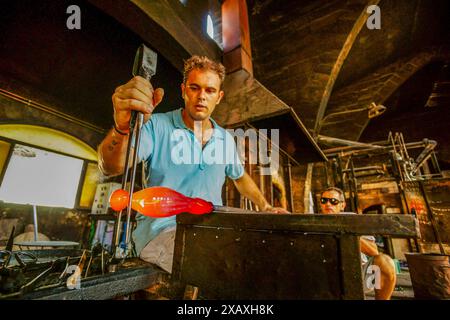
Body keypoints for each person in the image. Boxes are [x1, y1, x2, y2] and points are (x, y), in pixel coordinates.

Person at [98, 55, 289, 273]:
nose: (201, 97)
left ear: (219, 97)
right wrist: (122, 128)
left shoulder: (225, 139)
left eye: (210, 90)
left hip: (211, 231)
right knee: (220, 269)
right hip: (162, 232)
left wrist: (265, 207)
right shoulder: (157, 125)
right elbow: (112, 166)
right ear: (183, 90)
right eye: (195, 88)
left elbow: (240, 176)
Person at [319, 187, 397, 300]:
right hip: (326, 276)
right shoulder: (314, 221)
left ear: (342, 205)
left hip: (358, 274)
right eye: (324, 200)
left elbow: (374, 251)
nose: (328, 204)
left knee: (385, 262)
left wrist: (343, 229)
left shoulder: (354, 220)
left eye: (333, 201)